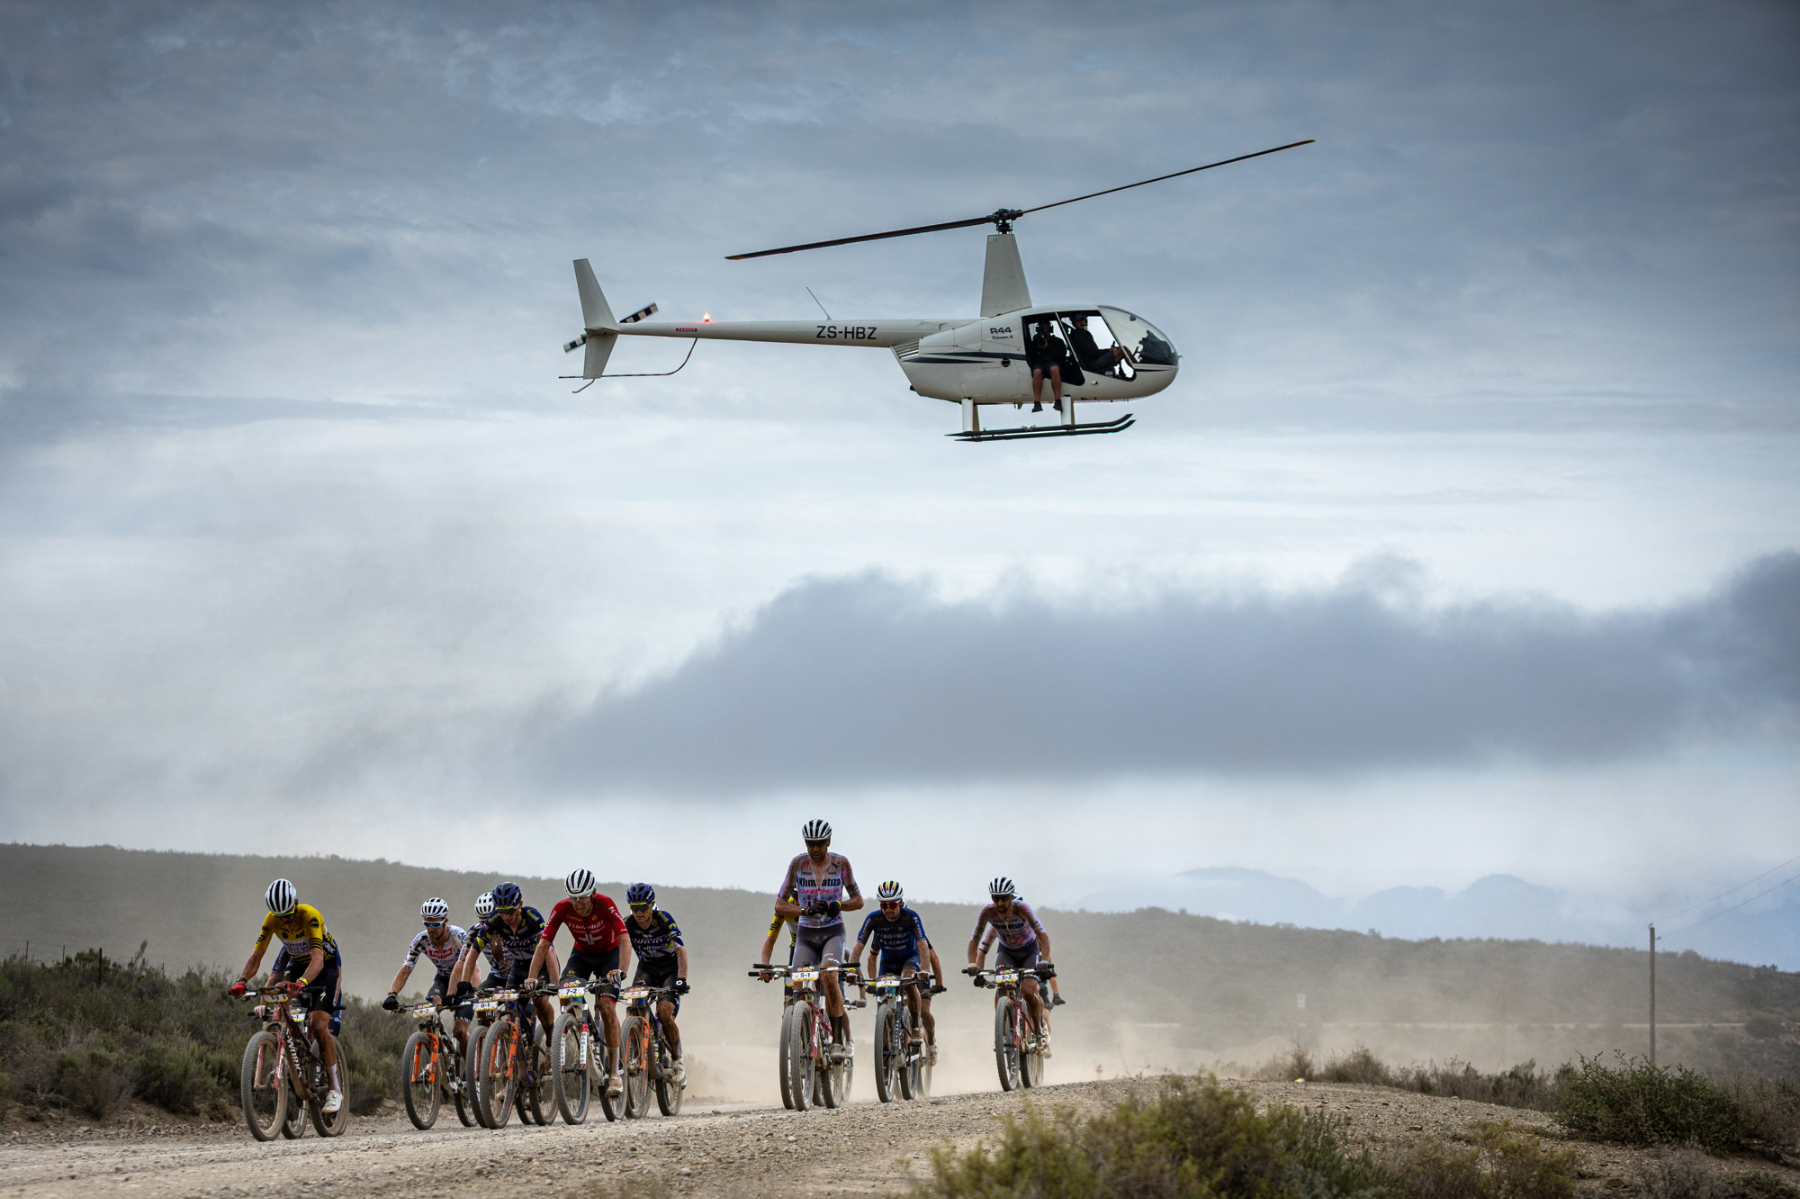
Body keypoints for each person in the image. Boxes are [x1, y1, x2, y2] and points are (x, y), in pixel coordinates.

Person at [230, 879, 345, 1114]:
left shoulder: (310, 916)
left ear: (296, 903)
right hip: (297, 963)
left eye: (289, 916)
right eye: (280, 917)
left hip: (325, 967)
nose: (285, 921)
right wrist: (242, 980)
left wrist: (301, 983)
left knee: (318, 1025)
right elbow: (257, 956)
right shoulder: (271, 920)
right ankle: (292, 1049)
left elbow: (317, 960)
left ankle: (335, 1089)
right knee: (277, 990)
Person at [528, 869, 629, 1098]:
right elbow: (543, 944)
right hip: (581, 955)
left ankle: (614, 1072)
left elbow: (624, 939)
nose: (577, 903)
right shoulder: (562, 908)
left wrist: (621, 970)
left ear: (593, 893)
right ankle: (582, 1030)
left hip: (609, 956)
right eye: (572, 898)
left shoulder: (606, 904)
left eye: (582, 898)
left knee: (606, 1006)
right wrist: (532, 977)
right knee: (566, 993)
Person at [774, 819, 863, 1054]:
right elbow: (779, 904)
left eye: (819, 844)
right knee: (798, 980)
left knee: (828, 975)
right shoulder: (797, 864)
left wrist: (838, 905)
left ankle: (837, 1041)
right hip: (806, 933)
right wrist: (804, 910)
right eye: (810, 843)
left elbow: (858, 901)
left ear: (828, 842)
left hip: (832, 931)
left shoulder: (841, 863)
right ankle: (801, 1039)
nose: (814, 848)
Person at [850, 880, 945, 1059]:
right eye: (883, 905)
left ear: (900, 902)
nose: (888, 909)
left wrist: (926, 972)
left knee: (910, 984)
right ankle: (885, 1046)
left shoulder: (911, 917)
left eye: (892, 905)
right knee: (882, 1001)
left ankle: (916, 1028)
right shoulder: (875, 919)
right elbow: (861, 949)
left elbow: (925, 949)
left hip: (910, 960)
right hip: (888, 964)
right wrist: (854, 971)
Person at [459, 882, 557, 1053]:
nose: (505, 916)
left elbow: (548, 950)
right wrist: (464, 982)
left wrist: (555, 983)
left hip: (541, 965)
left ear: (520, 905)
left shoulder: (532, 916)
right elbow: (474, 951)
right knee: (510, 1006)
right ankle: (518, 1050)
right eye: (501, 911)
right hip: (518, 967)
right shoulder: (495, 919)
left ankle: (551, 1039)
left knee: (540, 1001)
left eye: (510, 911)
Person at [966, 876, 1055, 1052]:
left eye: (1004, 898)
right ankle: (1003, 1033)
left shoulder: (1023, 909)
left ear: (1011, 898)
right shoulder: (988, 912)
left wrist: (1045, 960)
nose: (999, 903)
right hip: (1006, 952)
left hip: (1029, 951)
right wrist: (973, 965)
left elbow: (1043, 936)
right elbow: (976, 941)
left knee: (1028, 991)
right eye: (995, 898)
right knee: (1002, 986)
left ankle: (1038, 1031)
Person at [383, 898, 470, 1054]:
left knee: (459, 1031)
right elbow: (405, 969)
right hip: (443, 978)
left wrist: (453, 993)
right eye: (427, 924)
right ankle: (438, 1060)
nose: (430, 929)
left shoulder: (458, 935)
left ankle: (471, 1065)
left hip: (464, 979)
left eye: (435, 924)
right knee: (429, 1015)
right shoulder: (421, 940)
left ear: (445, 921)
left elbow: (466, 964)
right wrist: (392, 995)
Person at [623, 882, 690, 1087]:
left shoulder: (663, 919)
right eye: (634, 908)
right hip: (647, 968)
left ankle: (678, 1060)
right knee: (634, 1006)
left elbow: (681, 950)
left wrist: (681, 979)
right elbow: (620, 948)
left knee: (664, 1013)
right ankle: (638, 1053)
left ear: (652, 904)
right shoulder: (628, 923)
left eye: (643, 907)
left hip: (670, 969)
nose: (638, 912)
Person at [1026, 319, 1069, 413]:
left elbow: (1061, 355)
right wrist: (1039, 347)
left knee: (1054, 369)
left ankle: (1057, 401)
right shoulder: (1034, 342)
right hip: (1039, 363)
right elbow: (1031, 355)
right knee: (1037, 372)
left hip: (1052, 362)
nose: (1044, 330)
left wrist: (1047, 347)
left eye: (1046, 327)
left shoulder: (1057, 342)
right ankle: (1037, 403)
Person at [1066, 313, 1131, 376]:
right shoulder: (1077, 336)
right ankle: (1136, 369)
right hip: (1092, 364)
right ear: (1074, 323)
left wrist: (1109, 350)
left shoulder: (1086, 334)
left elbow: (1095, 351)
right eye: (1079, 321)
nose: (1082, 322)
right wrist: (1108, 350)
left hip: (1095, 360)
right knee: (1123, 350)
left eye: (1083, 320)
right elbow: (1092, 352)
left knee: (1122, 351)